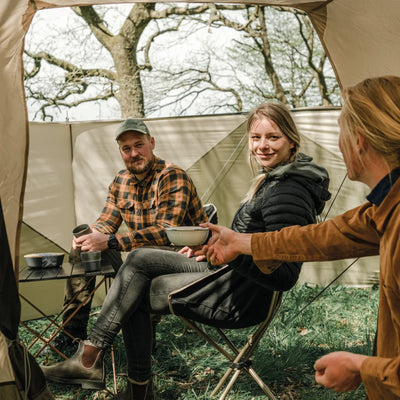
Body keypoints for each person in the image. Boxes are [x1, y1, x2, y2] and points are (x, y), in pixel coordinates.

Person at [41, 102, 330, 400]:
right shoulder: (274, 180)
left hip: (239, 295)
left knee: (134, 287)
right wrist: (213, 248)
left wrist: (232, 251)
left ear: (291, 140)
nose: (262, 146)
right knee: (135, 262)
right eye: (256, 138)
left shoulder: (289, 189)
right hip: (227, 273)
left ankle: (110, 372)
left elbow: (283, 274)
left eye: (273, 137)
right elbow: (252, 243)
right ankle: (87, 350)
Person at [203, 76, 400, 400]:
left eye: (341, 131)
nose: (338, 143)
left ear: (360, 139)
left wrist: (362, 366)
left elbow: (286, 272)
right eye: (256, 137)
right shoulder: (383, 208)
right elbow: (321, 237)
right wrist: (242, 243)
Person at [53, 118, 207, 349]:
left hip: (184, 261)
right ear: (120, 152)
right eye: (126, 148)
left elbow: (167, 233)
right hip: (138, 260)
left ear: (152, 143)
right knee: (82, 251)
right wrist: (92, 235)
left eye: (139, 145)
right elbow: (107, 220)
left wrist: (112, 241)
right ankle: (71, 334)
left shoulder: (172, 175)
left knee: (145, 253)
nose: (134, 153)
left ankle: (143, 338)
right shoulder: (120, 180)